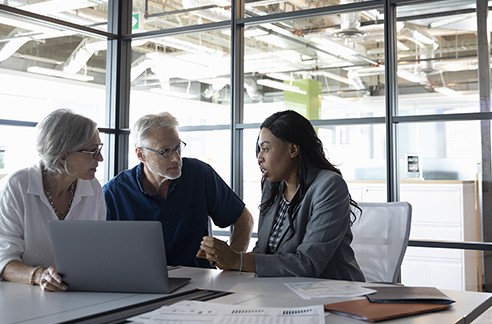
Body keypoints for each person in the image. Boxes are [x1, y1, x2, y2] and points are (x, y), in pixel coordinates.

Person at [199, 110, 364, 281]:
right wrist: (228, 261)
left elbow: (308, 264)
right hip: (281, 291)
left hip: (333, 294)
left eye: (265, 149)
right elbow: (263, 250)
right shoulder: (272, 186)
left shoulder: (329, 186)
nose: (259, 158)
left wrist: (237, 260)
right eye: (259, 150)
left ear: (293, 149)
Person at [0, 109, 106, 292]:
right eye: (92, 151)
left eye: (99, 149)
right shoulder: (17, 185)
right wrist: (40, 275)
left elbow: (95, 252)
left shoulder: (92, 188)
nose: (100, 158)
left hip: (61, 293)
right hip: (3, 291)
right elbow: (0, 259)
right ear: (64, 155)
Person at [103, 112, 253, 268]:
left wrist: (234, 261)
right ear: (141, 155)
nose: (176, 158)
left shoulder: (199, 174)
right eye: (165, 151)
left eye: (177, 148)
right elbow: (100, 248)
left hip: (200, 282)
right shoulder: (114, 192)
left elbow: (243, 218)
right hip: (139, 282)